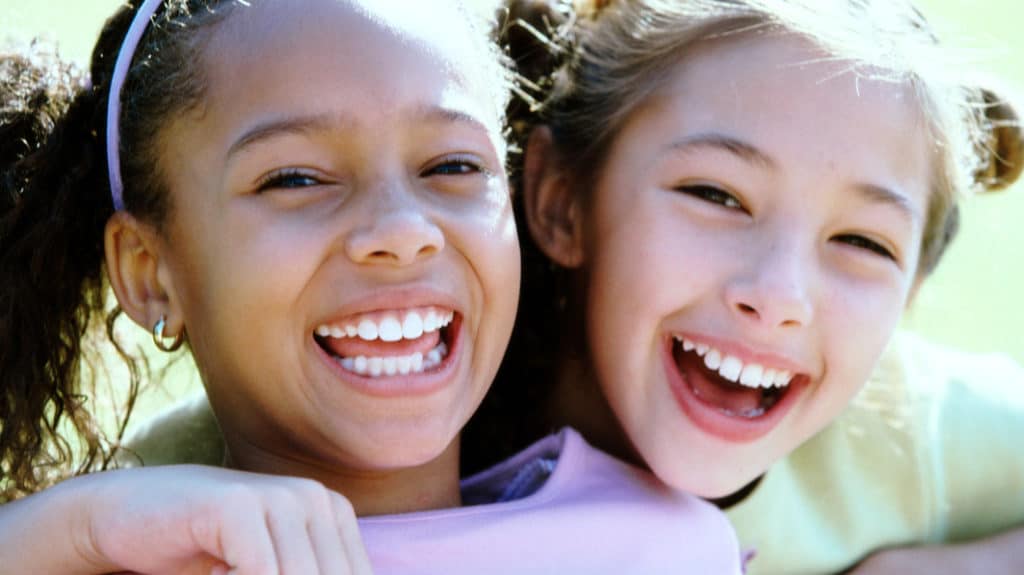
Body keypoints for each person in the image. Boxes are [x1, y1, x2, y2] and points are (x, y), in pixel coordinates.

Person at [0, 0, 742, 573]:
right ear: (149, 273)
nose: (402, 228)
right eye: (295, 178)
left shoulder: (665, 545)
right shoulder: (99, 555)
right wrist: (77, 527)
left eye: (452, 165)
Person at [461, 0, 1024, 572]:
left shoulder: (906, 436)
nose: (779, 296)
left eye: (863, 242)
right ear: (563, 202)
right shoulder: (419, 420)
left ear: (911, 292)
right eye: (716, 196)